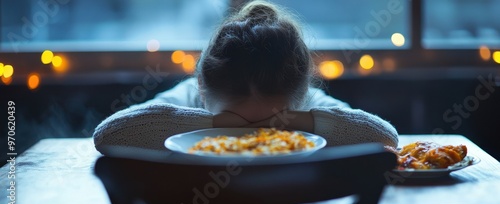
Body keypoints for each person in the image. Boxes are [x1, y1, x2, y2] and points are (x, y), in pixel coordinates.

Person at [93, 1, 398, 153]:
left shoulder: (308, 103)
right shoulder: (187, 98)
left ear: (302, 91)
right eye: (237, 125)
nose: (253, 136)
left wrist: (290, 123)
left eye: (270, 125)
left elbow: (385, 137)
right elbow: (107, 134)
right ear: (201, 87)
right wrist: (216, 127)